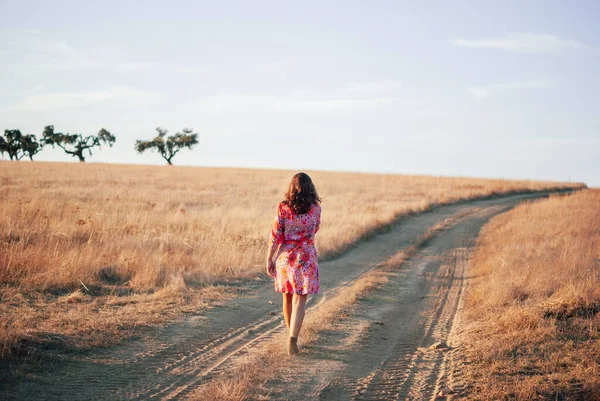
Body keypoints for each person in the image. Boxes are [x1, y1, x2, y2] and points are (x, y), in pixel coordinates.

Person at [266, 172, 322, 355]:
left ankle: (291, 336)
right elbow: (315, 229)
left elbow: (275, 235)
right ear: (310, 188)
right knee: (300, 301)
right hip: (306, 256)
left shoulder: (283, 208)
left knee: (287, 297)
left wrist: (269, 258)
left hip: (285, 257)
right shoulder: (316, 209)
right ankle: (293, 339)